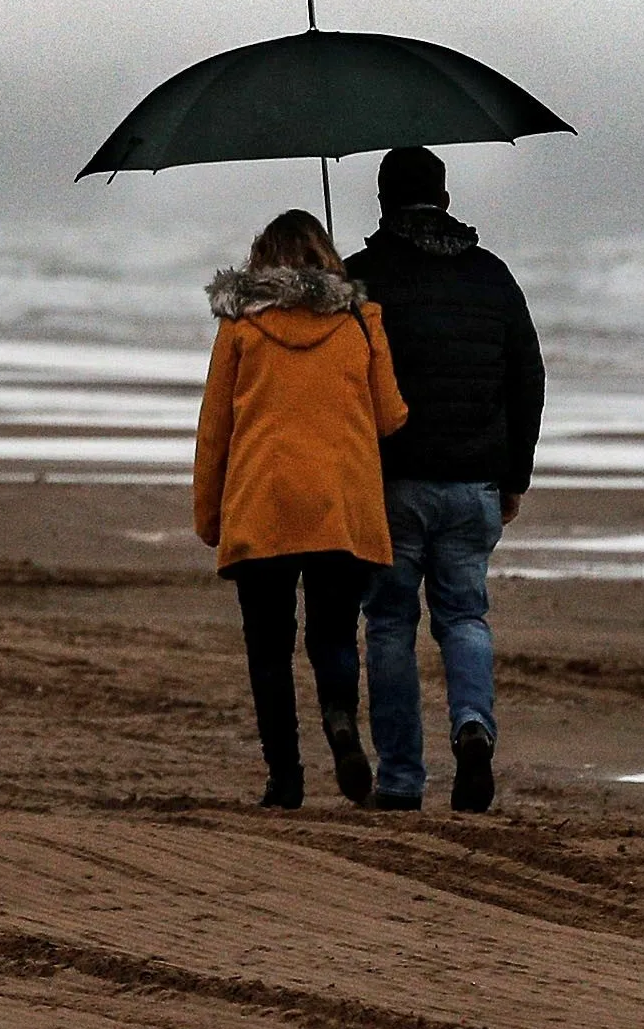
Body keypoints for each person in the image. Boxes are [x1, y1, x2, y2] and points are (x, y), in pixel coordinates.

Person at [345, 145, 544, 814]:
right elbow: (527, 378)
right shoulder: (492, 276)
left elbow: (335, 386)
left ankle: (401, 779)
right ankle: (473, 727)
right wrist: (514, 472)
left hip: (391, 481)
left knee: (391, 623)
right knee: (465, 615)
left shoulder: (362, 278)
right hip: (473, 482)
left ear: (381, 203)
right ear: (446, 199)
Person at [191, 208, 410, 808]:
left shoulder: (240, 326)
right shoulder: (361, 321)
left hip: (262, 503)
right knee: (334, 635)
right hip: (339, 505)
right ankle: (339, 719)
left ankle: (284, 778)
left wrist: (209, 517)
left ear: (262, 260)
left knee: (268, 649)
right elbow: (389, 414)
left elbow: (216, 428)